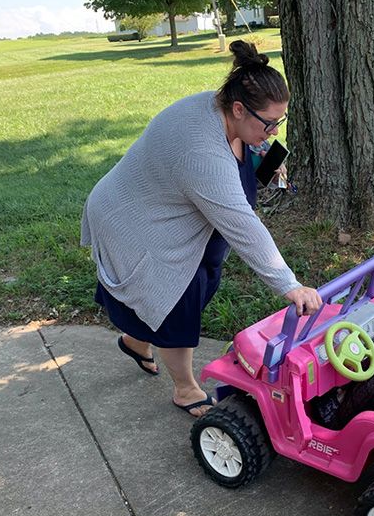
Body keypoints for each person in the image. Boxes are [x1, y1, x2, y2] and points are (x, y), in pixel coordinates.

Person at [80, 40, 322, 417]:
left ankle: (137, 341)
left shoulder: (223, 110)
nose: (274, 131)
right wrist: (288, 284)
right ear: (239, 108)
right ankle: (185, 389)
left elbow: (243, 160)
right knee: (178, 297)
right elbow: (243, 225)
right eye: (269, 123)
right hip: (133, 220)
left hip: (163, 206)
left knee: (206, 275)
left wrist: (267, 161)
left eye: (280, 121)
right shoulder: (201, 152)